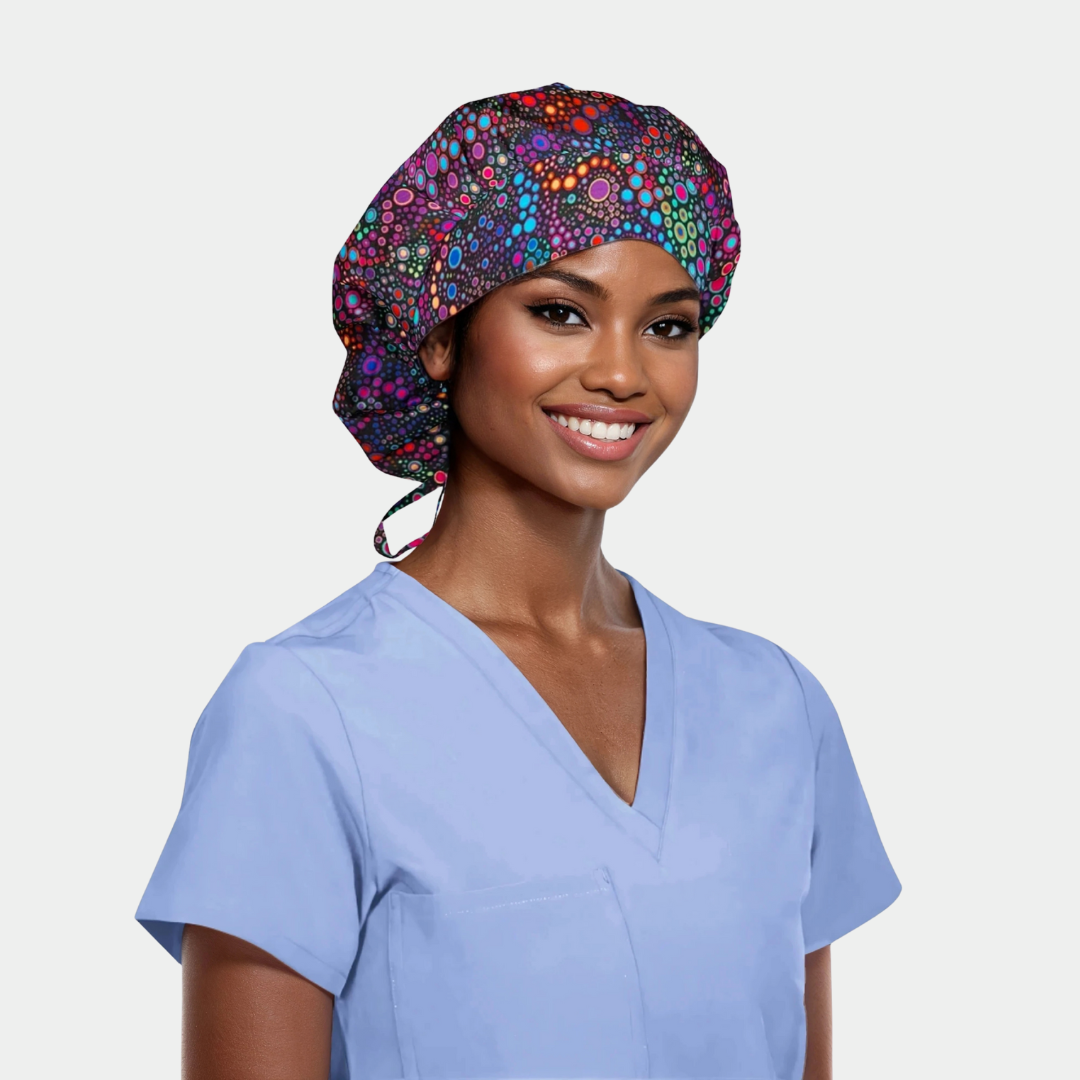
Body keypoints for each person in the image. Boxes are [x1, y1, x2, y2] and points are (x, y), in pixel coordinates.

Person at [137, 82, 901, 1080]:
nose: (624, 374)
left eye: (668, 327)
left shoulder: (774, 706)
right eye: (560, 312)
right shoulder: (305, 712)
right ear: (442, 336)